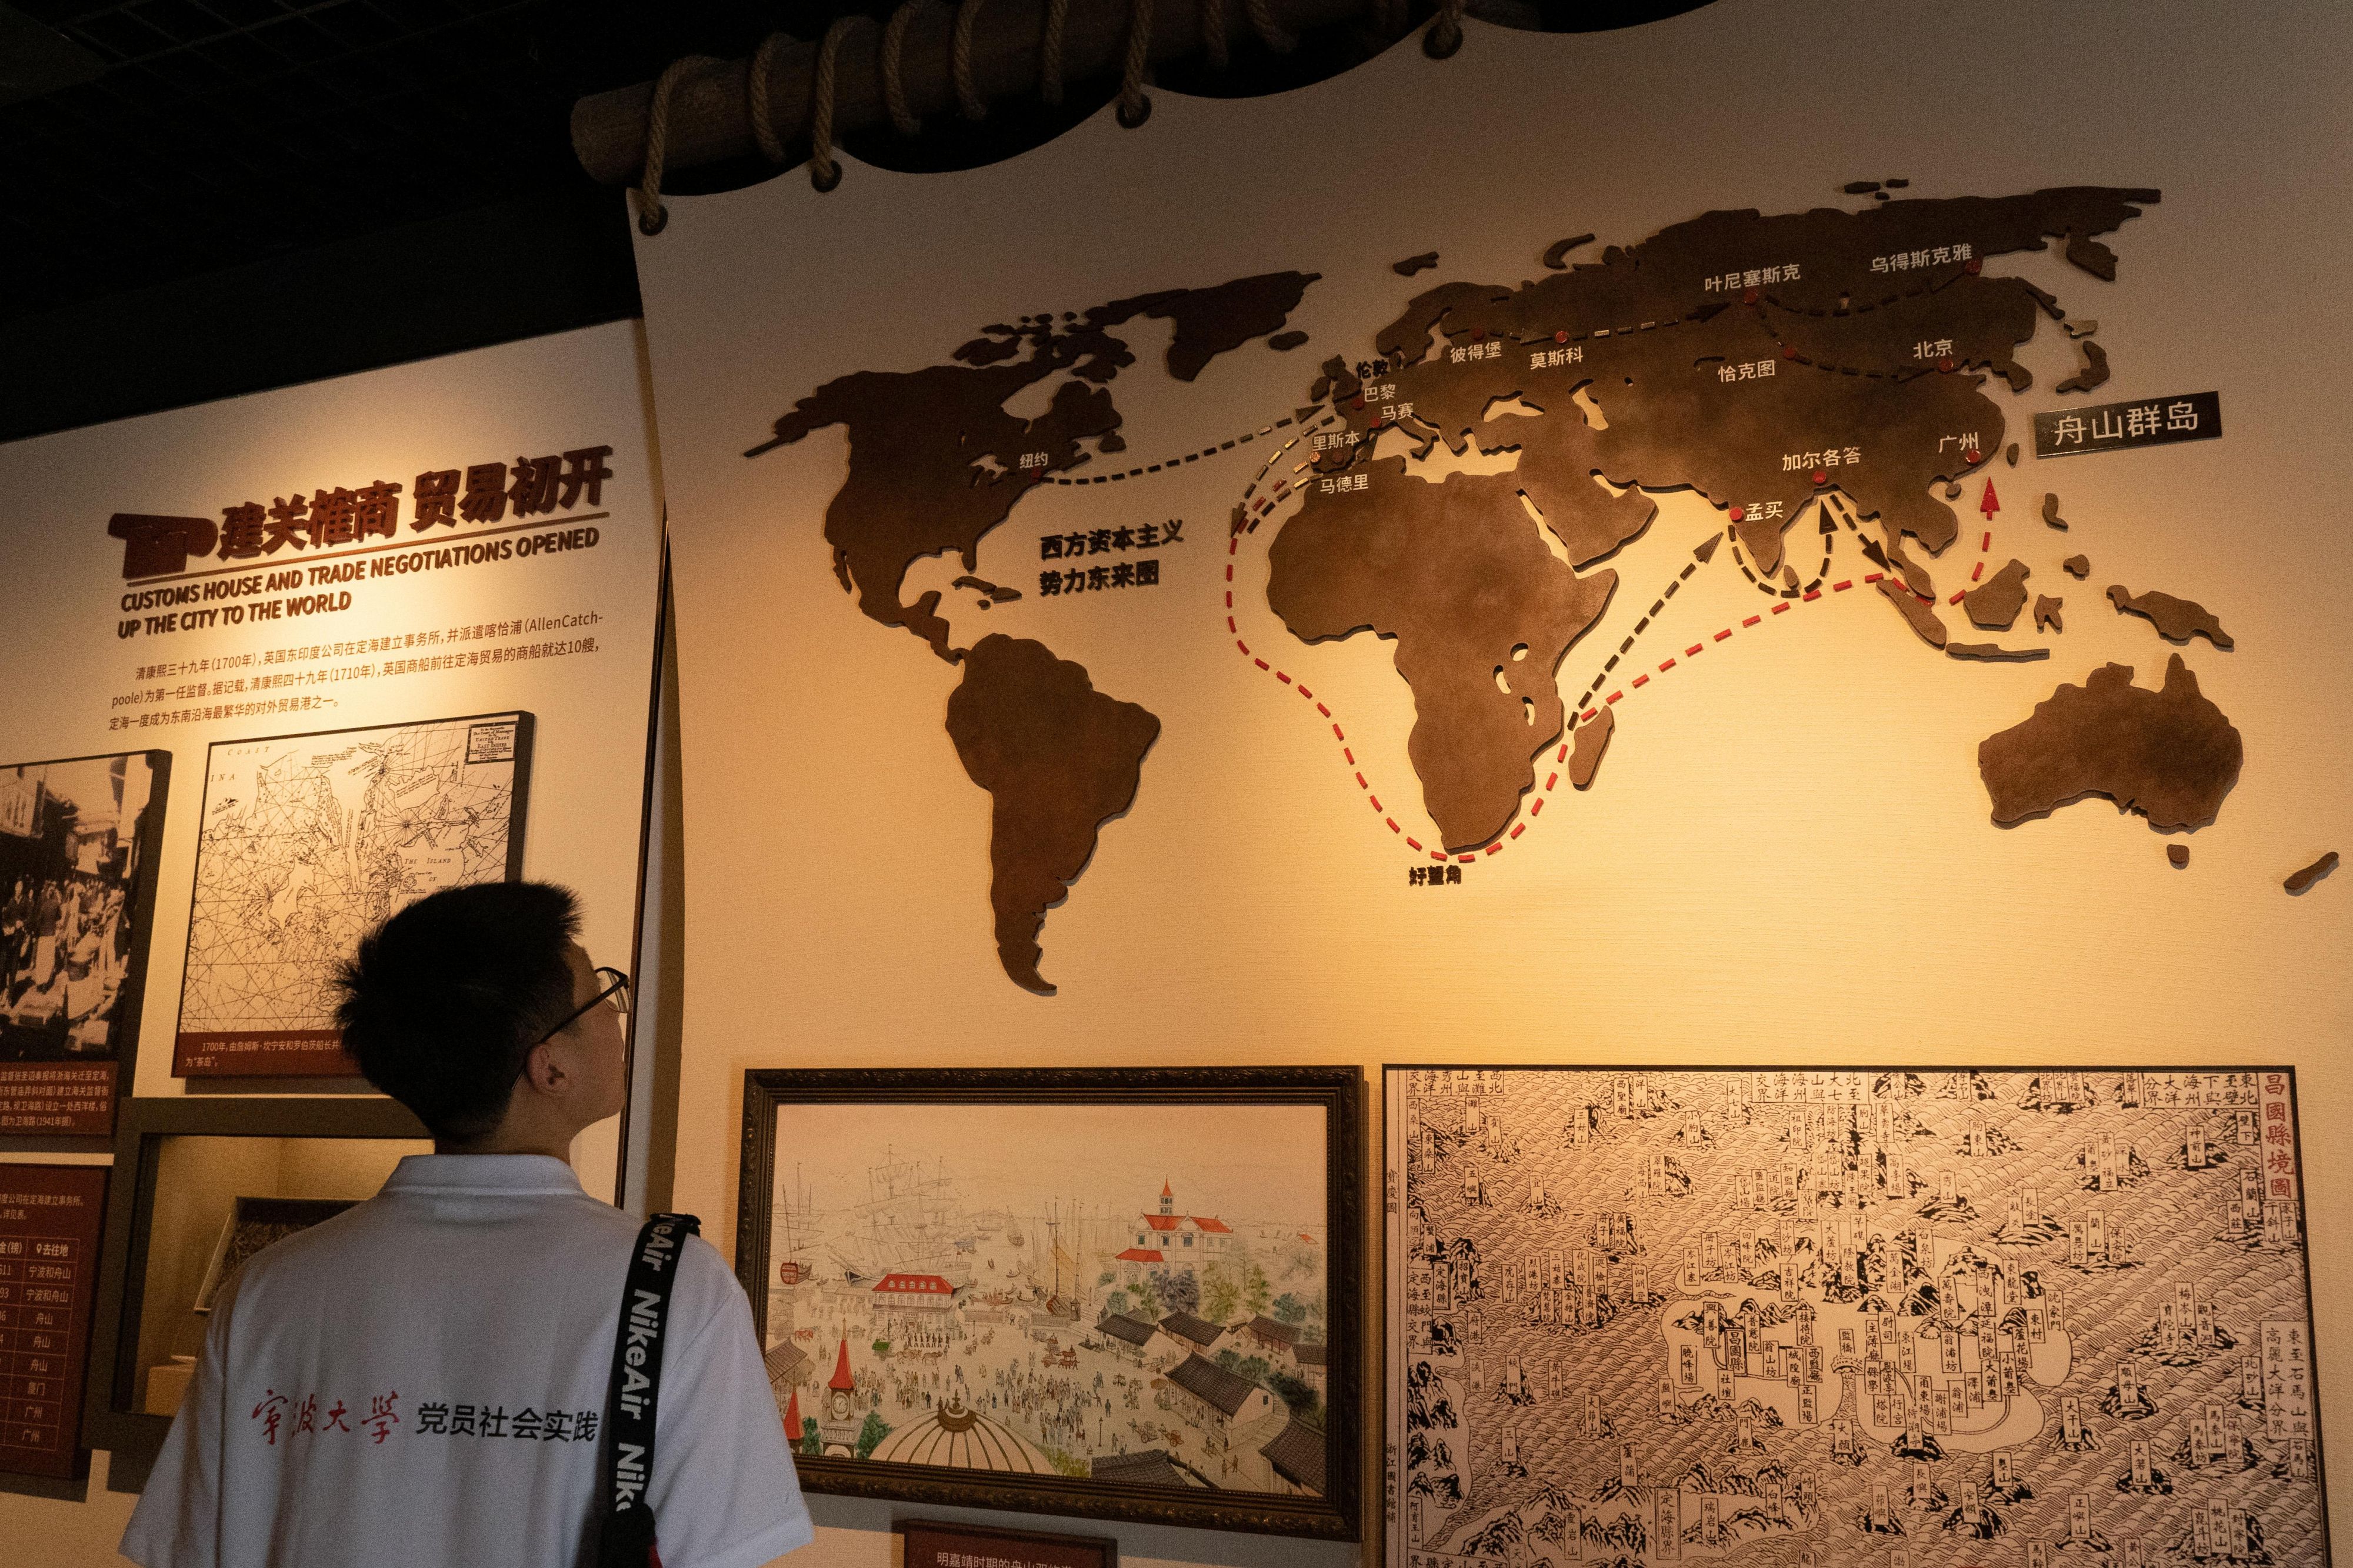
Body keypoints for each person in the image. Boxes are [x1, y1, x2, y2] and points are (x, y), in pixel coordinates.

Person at [122, 882, 812, 1568]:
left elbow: (192, 1548)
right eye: (600, 993)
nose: (616, 1016)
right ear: (549, 1064)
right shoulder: (676, 1287)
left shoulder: (265, 1289)